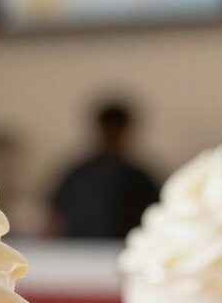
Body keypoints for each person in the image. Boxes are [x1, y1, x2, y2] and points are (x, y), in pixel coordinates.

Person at [48, 98, 160, 239]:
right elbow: (55, 219)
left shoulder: (141, 180)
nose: (113, 138)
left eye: (117, 132)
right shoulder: (76, 176)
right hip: (77, 249)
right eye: (110, 132)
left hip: (123, 248)